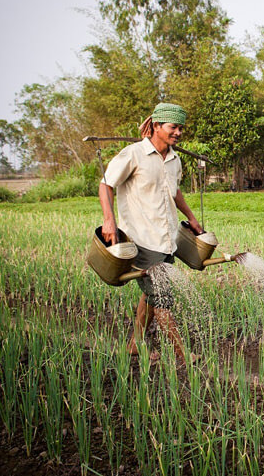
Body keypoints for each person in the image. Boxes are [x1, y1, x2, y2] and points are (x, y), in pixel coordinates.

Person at [98, 102, 202, 366]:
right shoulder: (133, 154)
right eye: (173, 127)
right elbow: (106, 185)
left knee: (151, 294)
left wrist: (191, 217)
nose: (178, 132)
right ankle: (182, 354)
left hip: (166, 241)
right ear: (156, 125)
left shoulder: (174, 159)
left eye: (181, 128)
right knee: (163, 300)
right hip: (142, 240)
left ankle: (135, 344)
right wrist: (109, 220)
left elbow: (174, 191)